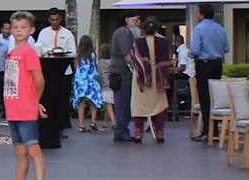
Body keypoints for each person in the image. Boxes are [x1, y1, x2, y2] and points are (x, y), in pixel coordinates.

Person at [0, 12, 47, 180]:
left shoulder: (29, 53)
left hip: (25, 109)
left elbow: (39, 80)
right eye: (15, 27)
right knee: (20, 152)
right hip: (13, 109)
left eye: (23, 27)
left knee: (34, 150)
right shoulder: (12, 53)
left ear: (31, 30)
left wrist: (35, 101)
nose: (19, 31)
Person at [189, 4, 229, 139]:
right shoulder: (220, 29)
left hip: (204, 64)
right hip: (217, 64)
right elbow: (226, 48)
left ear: (201, 14)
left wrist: (190, 54)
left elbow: (195, 50)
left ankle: (207, 131)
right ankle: (215, 130)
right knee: (215, 97)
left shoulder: (199, 28)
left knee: (205, 98)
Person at [130, 20, 173, 144]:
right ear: (156, 29)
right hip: (158, 78)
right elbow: (167, 60)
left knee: (138, 105)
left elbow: (134, 59)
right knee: (159, 106)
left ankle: (138, 132)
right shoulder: (164, 42)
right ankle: (159, 132)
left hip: (142, 78)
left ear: (143, 29)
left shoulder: (137, 42)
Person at [108, 12, 141, 143]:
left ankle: (122, 130)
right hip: (121, 74)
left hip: (123, 73)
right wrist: (139, 67)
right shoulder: (123, 33)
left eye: (138, 20)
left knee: (124, 103)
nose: (138, 22)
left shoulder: (127, 33)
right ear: (127, 20)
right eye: (135, 20)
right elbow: (127, 55)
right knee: (123, 103)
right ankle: (120, 131)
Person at [72, 33, 104, 131]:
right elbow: (94, 68)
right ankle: (93, 122)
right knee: (93, 102)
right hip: (91, 81)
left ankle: (81, 125)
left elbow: (76, 68)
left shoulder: (78, 56)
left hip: (80, 82)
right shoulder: (92, 55)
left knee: (81, 103)